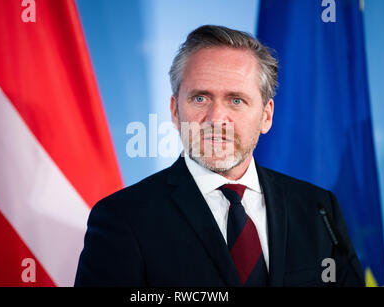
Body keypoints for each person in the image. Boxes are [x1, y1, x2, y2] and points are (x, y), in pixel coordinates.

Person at [74, 25, 364, 287]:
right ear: (175, 111)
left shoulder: (318, 208)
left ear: (266, 115)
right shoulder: (122, 218)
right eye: (200, 98)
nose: (216, 118)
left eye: (236, 100)